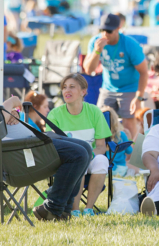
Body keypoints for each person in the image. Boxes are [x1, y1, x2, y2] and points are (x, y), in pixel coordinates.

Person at [0, 65, 92, 221]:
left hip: (26, 146)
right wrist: (11, 102)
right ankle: (52, 207)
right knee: (78, 154)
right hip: (19, 155)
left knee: (85, 148)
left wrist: (11, 113)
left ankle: (61, 211)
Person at [47, 73, 112, 217]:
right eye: (64, 87)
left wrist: (89, 155)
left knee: (102, 161)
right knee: (78, 159)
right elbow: (52, 146)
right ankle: (74, 209)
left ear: (83, 91)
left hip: (92, 155)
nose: (66, 91)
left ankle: (89, 209)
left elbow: (102, 146)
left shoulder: (94, 112)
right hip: (66, 161)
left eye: (72, 87)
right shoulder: (54, 115)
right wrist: (83, 156)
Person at [83, 13, 148, 139]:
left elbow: (144, 72)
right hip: (108, 88)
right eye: (102, 30)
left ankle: (129, 157)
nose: (105, 34)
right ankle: (105, 154)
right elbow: (88, 70)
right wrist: (97, 51)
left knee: (129, 124)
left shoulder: (130, 45)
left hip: (129, 88)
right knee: (101, 122)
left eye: (109, 30)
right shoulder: (96, 42)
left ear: (118, 28)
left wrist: (139, 97)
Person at [104, 106, 138, 177]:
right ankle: (129, 173)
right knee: (136, 167)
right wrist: (129, 138)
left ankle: (129, 172)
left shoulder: (99, 136)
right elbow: (130, 151)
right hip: (120, 169)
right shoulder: (121, 134)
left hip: (104, 170)